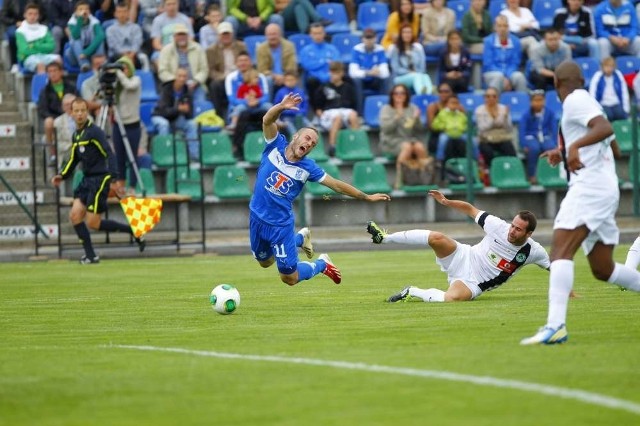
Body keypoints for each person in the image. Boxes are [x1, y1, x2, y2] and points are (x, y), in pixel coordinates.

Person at [520, 60, 640, 345]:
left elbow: (605, 127)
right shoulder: (588, 100)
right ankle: (555, 325)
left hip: (589, 188)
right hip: (603, 188)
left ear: (557, 85)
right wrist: (564, 151)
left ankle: (555, 325)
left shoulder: (574, 100)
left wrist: (573, 147)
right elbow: (613, 143)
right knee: (603, 268)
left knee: (560, 249)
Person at [250, 92, 391, 286]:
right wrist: (281, 107)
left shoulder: (308, 168)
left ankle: (322, 264)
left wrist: (366, 197)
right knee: (265, 262)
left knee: (289, 278)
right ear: (295, 136)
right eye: (307, 138)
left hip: (279, 225)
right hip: (256, 217)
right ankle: (299, 238)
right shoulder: (275, 145)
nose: (309, 144)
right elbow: (267, 119)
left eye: (313, 144)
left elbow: (336, 185)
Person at [366, 190, 550, 303]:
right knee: (437, 238)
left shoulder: (533, 251)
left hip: (475, 282)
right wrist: (446, 202)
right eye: (513, 225)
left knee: (452, 299)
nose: (512, 231)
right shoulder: (498, 226)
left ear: (529, 234)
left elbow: (555, 267)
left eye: (518, 230)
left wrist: (568, 291)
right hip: (465, 255)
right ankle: (384, 238)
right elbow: (471, 209)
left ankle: (411, 292)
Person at [51, 97, 145, 264]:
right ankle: (91, 255)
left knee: (93, 223)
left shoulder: (95, 132)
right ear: (71, 113)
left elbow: (109, 153)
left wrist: (114, 178)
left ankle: (133, 231)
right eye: (76, 111)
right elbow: (74, 158)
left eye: (82, 111)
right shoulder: (77, 135)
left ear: (87, 112)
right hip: (86, 180)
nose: (79, 114)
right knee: (74, 216)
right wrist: (62, 175)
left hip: (100, 180)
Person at [378, 83, 429, 188]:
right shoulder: (386, 109)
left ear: (407, 95)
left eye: (402, 93)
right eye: (396, 93)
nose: (399, 95)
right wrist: (397, 117)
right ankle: (399, 180)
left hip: (409, 139)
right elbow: (386, 130)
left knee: (419, 147)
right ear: (392, 95)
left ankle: (425, 179)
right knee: (407, 147)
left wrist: (417, 119)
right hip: (390, 141)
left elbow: (419, 130)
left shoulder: (412, 108)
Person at [111, 56, 144, 194]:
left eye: (124, 68)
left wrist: (118, 72)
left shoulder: (136, 80)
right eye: (120, 68)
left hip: (132, 125)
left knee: (132, 157)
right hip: (118, 124)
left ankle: (132, 186)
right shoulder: (116, 84)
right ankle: (121, 185)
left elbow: (129, 85)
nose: (122, 71)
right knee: (119, 157)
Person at [152, 67, 199, 159]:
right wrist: (178, 109)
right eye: (179, 76)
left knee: (192, 124)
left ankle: (194, 156)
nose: (182, 78)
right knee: (164, 124)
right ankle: (164, 156)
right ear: (175, 76)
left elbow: (190, 115)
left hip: (175, 118)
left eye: (184, 76)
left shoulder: (187, 91)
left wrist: (186, 111)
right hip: (159, 116)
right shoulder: (166, 89)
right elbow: (163, 111)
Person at [313, 61, 359, 156]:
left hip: (345, 110)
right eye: (332, 72)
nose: (334, 75)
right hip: (329, 112)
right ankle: (332, 147)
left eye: (337, 73)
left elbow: (354, 104)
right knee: (337, 117)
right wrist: (321, 116)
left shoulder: (348, 87)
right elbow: (318, 107)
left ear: (342, 73)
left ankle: (356, 144)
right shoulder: (324, 87)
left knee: (353, 115)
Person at [38, 61, 79, 166]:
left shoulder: (71, 87)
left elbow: (78, 102)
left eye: (55, 71)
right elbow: (42, 110)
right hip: (55, 118)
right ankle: (53, 153)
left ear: (61, 72)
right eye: (50, 71)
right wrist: (55, 118)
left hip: (71, 115)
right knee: (48, 122)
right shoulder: (45, 90)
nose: (52, 74)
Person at [157, 23, 208, 103]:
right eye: (179, 35)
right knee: (174, 107)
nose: (181, 37)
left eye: (183, 34)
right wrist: (176, 81)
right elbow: (162, 71)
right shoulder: (166, 50)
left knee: (200, 104)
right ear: (174, 37)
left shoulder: (198, 48)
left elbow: (204, 70)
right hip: (173, 86)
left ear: (187, 36)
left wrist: (196, 81)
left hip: (194, 84)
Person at [206, 21, 247, 120]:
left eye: (227, 34)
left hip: (239, 76)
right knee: (214, 85)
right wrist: (223, 76)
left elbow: (246, 61)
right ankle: (220, 117)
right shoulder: (211, 50)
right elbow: (210, 71)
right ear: (218, 35)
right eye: (223, 34)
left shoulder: (241, 46)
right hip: (222, 78)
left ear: (232, 34)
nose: (225, 36)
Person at [348, 28, 391, 114]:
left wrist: (377, 72)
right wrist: (368, 72)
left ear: (375, 38)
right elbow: (352, 72)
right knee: (356, 80)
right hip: (362, 80)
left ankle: (385, 110)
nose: (369, 40)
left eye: (371, 38)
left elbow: (385, 73)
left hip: (375, 80)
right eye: (367, 38)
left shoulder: (380, 50)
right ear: (362, 39)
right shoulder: (356, 50)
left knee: (386, 80)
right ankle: (359, 113)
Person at [519, 90, 558, 184]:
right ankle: (532, 175)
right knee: (534, 149)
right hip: (531, 137)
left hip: (545, 136)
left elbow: (554, 129)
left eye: (540, 100)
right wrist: (523, 144)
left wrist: (556, 142)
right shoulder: (526, 115)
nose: (538, 103)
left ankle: (550, 174)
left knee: (550, 148)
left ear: (544, 101)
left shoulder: (550, 113)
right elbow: (522, 131)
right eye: (535, 100)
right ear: (531, 102)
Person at [482, 15, 528, 93]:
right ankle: (495, 103)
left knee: (519, 76)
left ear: (508, 27)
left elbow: (515, 62)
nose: (502, 29)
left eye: (505, 26)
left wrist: (508, 77)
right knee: (498, 77)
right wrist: (503, 77)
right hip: (491, 73)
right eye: (499, 26)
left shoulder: (516, 41)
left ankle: (522, 102)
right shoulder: (488, 41)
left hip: (510, 73)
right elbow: (488, 64)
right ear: (495, 27)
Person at [475, 86, 517, 167]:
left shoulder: (503, 108)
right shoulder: (479, 109)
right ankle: (491, 172)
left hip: (501, 137)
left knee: (510, 150)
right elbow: (482, 128)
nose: (491, 98)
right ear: (484, 98)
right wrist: (493, 118)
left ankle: (511, 171)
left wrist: (505, 117)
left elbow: (509, 128)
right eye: (488, 96)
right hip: (486, 139)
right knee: (488, 152)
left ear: (498, 98)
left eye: (494, 96)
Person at [387, 24, 433, 95]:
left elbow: (422, 67)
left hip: (417, 75)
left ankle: (429, 93)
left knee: (425, 76)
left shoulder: (418, 49)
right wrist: (409, 72)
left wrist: (417, 72)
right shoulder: (395, 50)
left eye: (409, 32)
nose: (407, 35)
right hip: (400, 77)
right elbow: (395, 68)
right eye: (404, 32)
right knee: (416, 76)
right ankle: (421, 93)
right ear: (401, 34)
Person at [16, 2, 61, 74]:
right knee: (40, 65)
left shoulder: (44, 29)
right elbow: (24, 50)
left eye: (35, 14)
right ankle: (43, 85)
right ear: (25, 15)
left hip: (44, 56)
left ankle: (59, 84)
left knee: (58, 60)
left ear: (38, 16)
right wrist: (42, 47)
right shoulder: (20, 31)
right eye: (30, 14)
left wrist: (34, 45)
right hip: (28, 58)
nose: (33, 16)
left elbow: (51, 46)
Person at [256, 23, 297, 98]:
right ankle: (269, 106)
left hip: (286, 75)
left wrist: (284, 76)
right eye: (269, 34)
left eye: (274, 34)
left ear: (280, 34)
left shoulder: (289, 46)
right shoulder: (261, 49)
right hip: (270, 76)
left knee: (292, 78)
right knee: (268, 80)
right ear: (266, 35)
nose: (272, 37)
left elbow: (291, 67)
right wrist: (275, 76)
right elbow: (262, 69)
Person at [64, 0, 106, 72]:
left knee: (99, 39)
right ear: (76, 12)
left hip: (89, 53)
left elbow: (101, 36)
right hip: (76, 56)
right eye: (81, 9)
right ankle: (84, 65)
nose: (84, 11)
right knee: (75, 41)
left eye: (86, 9)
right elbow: (75, 36)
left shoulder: (94, 21)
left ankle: (100, 63)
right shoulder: (72, 22)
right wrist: (80, 20)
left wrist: (86, 52)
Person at [105, 3, 148, 70]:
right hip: (116, 55)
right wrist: (125, 55)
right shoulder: (110, 30)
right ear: (115, 14)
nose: (122, 14)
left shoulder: (136, 27)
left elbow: (137, 42)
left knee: (143, 57)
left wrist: (132, 54)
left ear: (128, 13)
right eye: (119, 12)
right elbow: (113, 45)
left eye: (124, 12)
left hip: (134, 54)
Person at [431, 95, 468, 168]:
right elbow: (435, 124)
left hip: (459, 133)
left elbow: (466, 124)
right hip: (447, 133)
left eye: (456, 103)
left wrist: (463, 128)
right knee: (442, 140)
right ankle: (439, 159)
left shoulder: (461, 114)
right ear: (447, 104)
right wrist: (444, 127)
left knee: (472, 140)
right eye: (452, 103)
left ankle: (476, 159)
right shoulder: (442, 113)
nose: (454, 105)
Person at [588, 56, 630, 122]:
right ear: (602, 67)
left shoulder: (618, 75)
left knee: (620, 114)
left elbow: (624, 91)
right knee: (609, 116)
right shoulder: (597, 76)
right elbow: (592, 92)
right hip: (603, 103)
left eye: (611, 67)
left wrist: (626, 108)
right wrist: (594, 108)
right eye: (607, 66)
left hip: (615, 102)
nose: (609, 69)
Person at [272, 71, 311, 138]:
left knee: (311, 127)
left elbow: (305, 106)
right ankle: (295, 143)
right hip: (286, 118)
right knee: (292, 130)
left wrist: (299, 112)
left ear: (296, 80)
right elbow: (277, 107)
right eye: (287, 80)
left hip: (300, 116)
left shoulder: (301, 91)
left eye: (292, 80)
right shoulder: (280, 92)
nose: (290, 82)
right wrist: (290, 111)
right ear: (284, 81)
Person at [437, 30, 472, 94]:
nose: (454, 41)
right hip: (447, 80)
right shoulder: (443, 53)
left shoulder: (466, 53)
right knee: (448, 84)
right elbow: (440, 72)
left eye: (457, 39)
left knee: (461, 81)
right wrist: (447, 74)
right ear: (448, 41)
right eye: (452, 39)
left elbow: (468, 70)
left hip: (461, 80)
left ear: (460, 40)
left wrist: (461, 74)